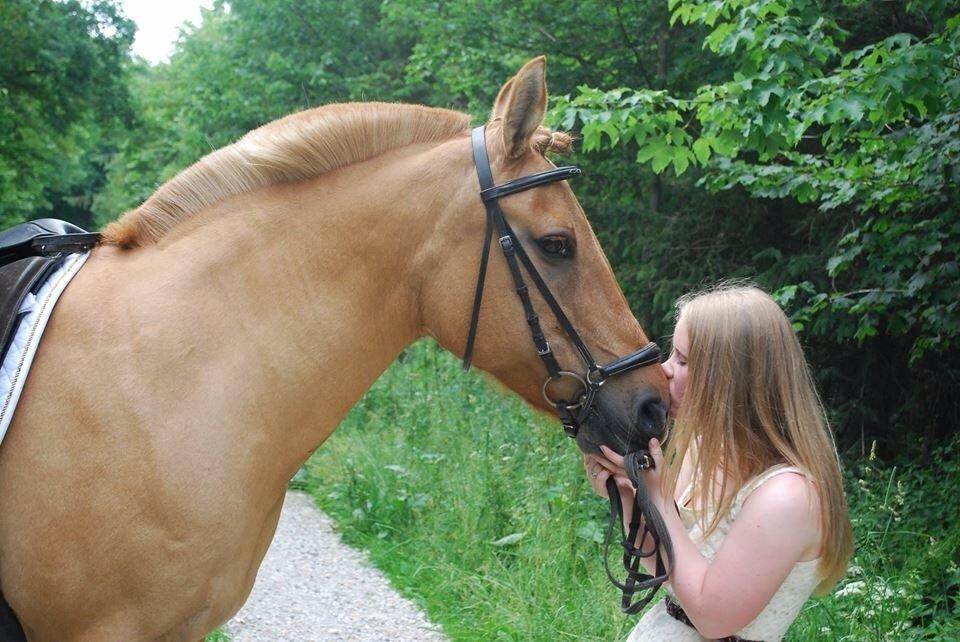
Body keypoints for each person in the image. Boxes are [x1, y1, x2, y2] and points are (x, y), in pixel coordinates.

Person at [585, 283, 853, 641]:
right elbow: (672, 571)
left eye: (681, 360)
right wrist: (627, 494)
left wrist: (660, 499)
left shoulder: (788, 497)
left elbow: (712, 618)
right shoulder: (704, 450)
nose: (664, 371)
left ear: (728, 379)